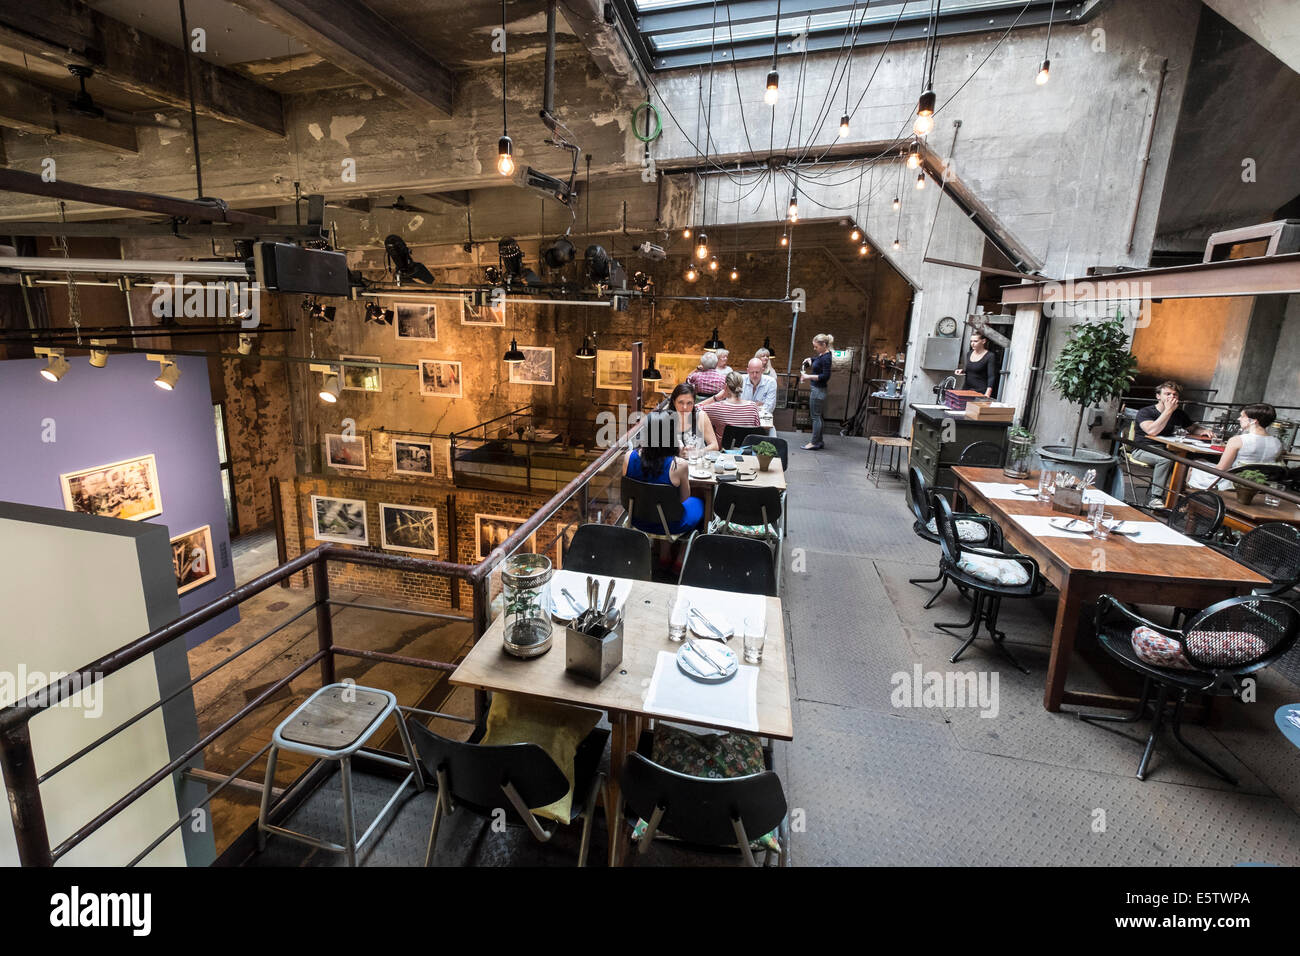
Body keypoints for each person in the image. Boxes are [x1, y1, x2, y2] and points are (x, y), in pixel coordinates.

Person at [1129, 380, 1213, 507]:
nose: (1171, 397)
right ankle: (1155, 498)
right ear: (1158, 396)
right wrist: (1168, 411)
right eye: (1167, 394)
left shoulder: (1179, 413)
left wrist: (1204, 431)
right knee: (1165, 460)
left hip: (1169, 449)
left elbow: (1193, 428)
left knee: (1191, 461)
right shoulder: (1146, 412)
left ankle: (1183, 498)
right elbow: (1152, 431)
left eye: (1174, 395)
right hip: (1143, 449)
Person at [624, 411, 704, 536]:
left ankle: (663, 553)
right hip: (670, 525)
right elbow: (684, 498)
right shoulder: (679, 465)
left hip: (637, 519)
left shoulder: (628, 457)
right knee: (700, 501)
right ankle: (682, 552)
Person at [1187, 403, 1284, 490]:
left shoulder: (1237, 440)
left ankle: (1185, 500)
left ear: (1253, 421)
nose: (1239, 419)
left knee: (1194, 464)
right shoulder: (1277, 443)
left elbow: (1221, 469)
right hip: (1261, 484)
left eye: (1242, 416)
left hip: (1234, 482)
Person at [799, 333, 833, 450]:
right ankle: (819, 441)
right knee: (818, 417)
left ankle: (814, 442)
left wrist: (808, 377)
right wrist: (810, 359)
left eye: (816, 346)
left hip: (818, 390)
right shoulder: (823, 355)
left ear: (823, 345)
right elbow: (818, 360)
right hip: (818, 389)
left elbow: (825, 376)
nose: (815, 348)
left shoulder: (827, 358)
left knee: (815, 417)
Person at [703, 371, 762, 435]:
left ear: (725, 386)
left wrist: (715, 398)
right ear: (741, 386)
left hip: (723, 445)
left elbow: (693, 410)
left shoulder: (717, 407)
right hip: (746, 445)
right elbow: (756, 430)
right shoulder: (753, 407)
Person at [668, 382, 719, 452]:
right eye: (681, 402)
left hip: (697, 461)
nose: (685, 407)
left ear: (694, 403)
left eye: (689, 403)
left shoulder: (701, 416)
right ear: (674, 402)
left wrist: (697, 453)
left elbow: (715, 446)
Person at [955, 329, 1000, 398]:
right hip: (966, 389)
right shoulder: (969, 353)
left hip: (980, 391)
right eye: (971, 341)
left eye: (975, 341)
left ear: (983, 341)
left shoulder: (990, 356)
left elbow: (991, 377)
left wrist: (987, 394)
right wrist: (963, 371)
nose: (972, 343)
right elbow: (972, 370)